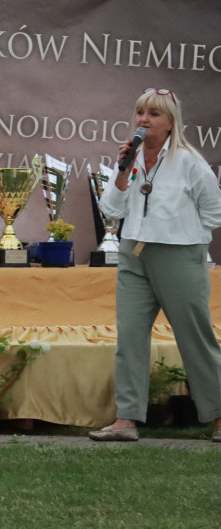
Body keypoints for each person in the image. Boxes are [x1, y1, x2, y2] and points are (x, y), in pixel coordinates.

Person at [89, 87, 221, 443]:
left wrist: (183, 233)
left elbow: (214, 212)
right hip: (133, 253)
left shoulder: (189, 162)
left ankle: (219, 416)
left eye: (154, 114)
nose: (144, 120)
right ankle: (126, 419)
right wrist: (123, 171)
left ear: (170, 122)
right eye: (140, 112)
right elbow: (111, 210)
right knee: (130, 337)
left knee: (194, 337)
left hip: (179, 254)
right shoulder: (129, 158)